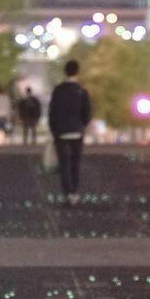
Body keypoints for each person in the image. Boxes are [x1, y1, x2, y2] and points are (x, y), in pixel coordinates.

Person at [48, 59, 93, 206]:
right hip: (77, 131)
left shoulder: (58, 90)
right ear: (77, 72)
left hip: (61, 131)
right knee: (75, 163)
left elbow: (52, 112)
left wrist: (54, 129)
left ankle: (67, 192)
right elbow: (87, 112)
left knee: (64, 163)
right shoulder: (81, 91)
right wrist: (82, 125)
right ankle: (74, 191)